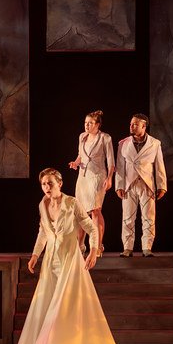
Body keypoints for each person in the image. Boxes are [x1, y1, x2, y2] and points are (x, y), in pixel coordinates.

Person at [0, 169, 145, 344]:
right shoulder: (43, 204)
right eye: (43, 184)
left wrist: (93, 251)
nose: (46, 188)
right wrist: (35, 255)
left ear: (60, 182)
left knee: (62, 309)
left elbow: (91, 227)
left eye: (50, 183)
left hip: (70, 260)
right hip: (51, 262)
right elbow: (43, 231)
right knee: (46, 308)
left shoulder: (72, 203)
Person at [115, 114, 167, 257]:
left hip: (146, 184)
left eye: (135, 124)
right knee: (127, 217)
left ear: (144, 126)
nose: (131, 126)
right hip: (129, 184)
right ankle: (127, 247)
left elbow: (159, 165)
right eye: (131, 124)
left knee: (149, 217)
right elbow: (120, 166)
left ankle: (147, 247)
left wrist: (161, 186)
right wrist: (119, 185)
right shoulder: (123, 143)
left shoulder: (155, 143)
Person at [67, 109, 115, 257]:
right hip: (83, 177)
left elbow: (111, 161)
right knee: (81, 212)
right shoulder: (82, 136)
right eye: (85, 123)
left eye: (90, 123)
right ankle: (80, 246)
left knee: (95, 210)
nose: (87, 126)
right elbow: (81, 155)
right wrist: (75, 163)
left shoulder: (105, 138)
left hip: (97, 177)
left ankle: (97, 245)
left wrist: (110, 178)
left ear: (98, 124)